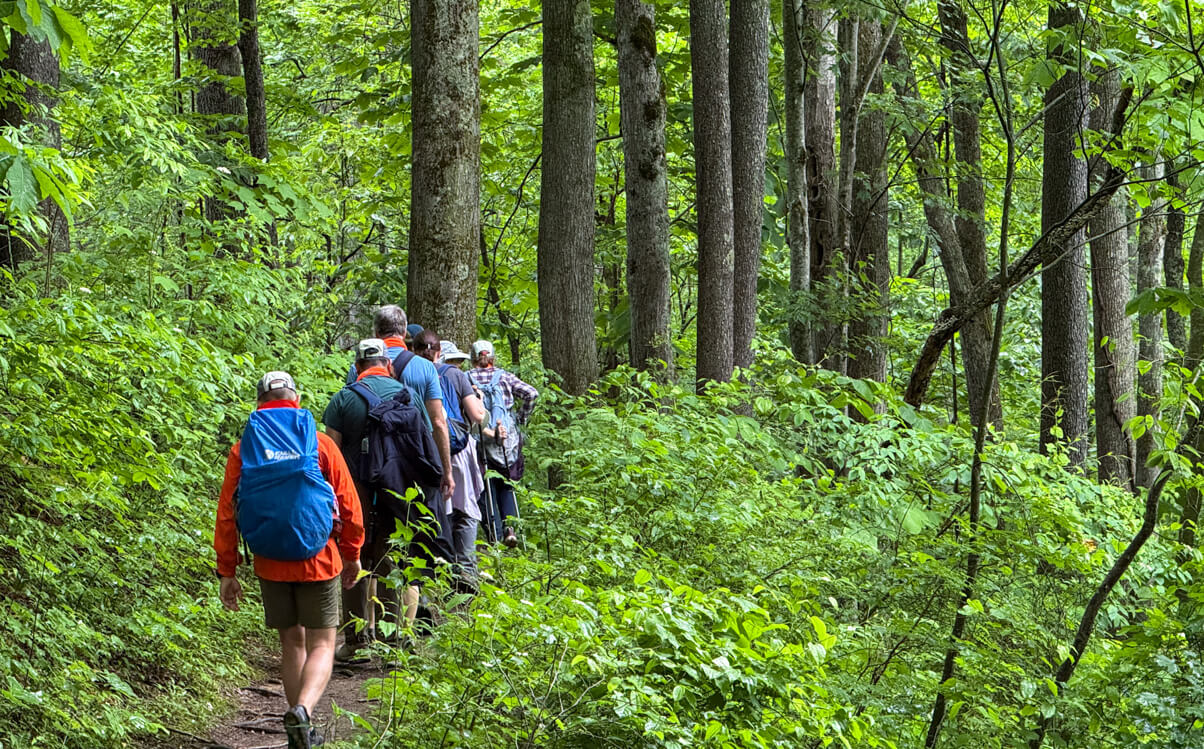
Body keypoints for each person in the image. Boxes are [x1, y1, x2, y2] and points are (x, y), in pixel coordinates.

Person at [215, 371, 363, 749]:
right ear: (295, 399)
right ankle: (304, 714)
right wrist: (352, 554)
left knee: (292, 645)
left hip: (269, 561)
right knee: (323, 645)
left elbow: (227, 513)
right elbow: (349, 504)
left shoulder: (244, 448)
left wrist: (227, 571)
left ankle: (300, 726)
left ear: (260, 402)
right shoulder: (319, 443)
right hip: (320, 559)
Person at [325, 339, 445, 661]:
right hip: (400, 492)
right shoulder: (410, 397)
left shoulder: (343, 400)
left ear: (357, 367)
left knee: (355, 559)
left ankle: (356, 643)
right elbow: (427, 442)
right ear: (387, 365)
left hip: (357, 495)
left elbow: (330, 457)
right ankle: (396, 645)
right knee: (394, 560)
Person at [345, 306, 454, 504]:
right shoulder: (426, 367)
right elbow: (438, 422)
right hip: (415, 462)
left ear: (376, 333)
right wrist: (446, 470)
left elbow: (350, 412)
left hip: (371, 464)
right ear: (404, 333)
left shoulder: (358, 368)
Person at [413, 332, 488, 589]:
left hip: (422, 453)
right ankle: (466, 574)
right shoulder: (455, 374)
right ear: (439, 354)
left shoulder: (408, 373)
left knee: (431, 512)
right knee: (465, 509)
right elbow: (477, 416)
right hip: (457, 450)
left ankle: (432, 577)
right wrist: (479, 399)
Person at [468, 340, 538, 548]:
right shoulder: (505, 377)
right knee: (507, 484)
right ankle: (511, 529)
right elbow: (531, 394)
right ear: (493, 358)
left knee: (486, 486)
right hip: (508, 443)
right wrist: (520, 418)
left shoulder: (466, 378)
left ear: (473, 359)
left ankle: (494, 537)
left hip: (483, 440)